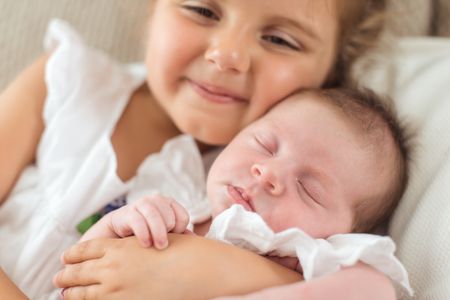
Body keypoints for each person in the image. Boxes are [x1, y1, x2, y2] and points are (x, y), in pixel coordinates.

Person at [0, 0, 390, 299]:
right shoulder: (67, 82)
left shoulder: (266, 210)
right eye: (203, 10)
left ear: (331, 74)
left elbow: (365, 286)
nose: (227, 55)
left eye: (278, 39)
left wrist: (217, 268)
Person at [74, 87, 412, 296]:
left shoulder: (310, 258)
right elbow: (75, 275)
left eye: (309, 190)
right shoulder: (176, 199)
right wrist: (119, 225)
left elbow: (374, 291)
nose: (267, 173)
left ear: (345, 233)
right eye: (264, 144)